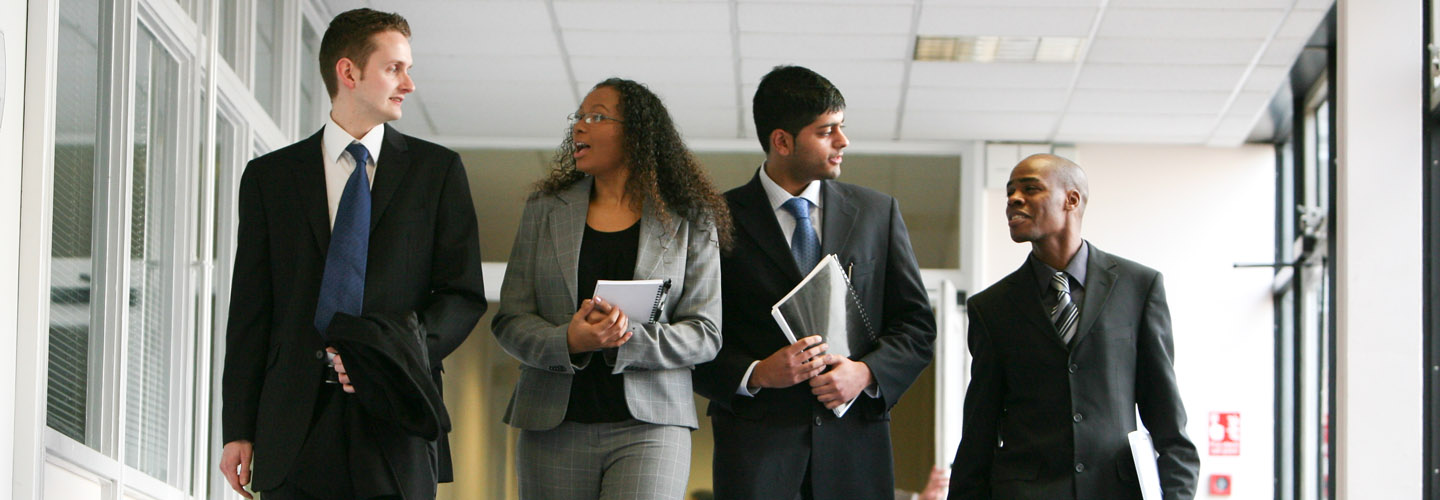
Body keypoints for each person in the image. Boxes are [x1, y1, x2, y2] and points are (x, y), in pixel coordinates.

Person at [218, 8, 486, 500]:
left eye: (408, 69)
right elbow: (251, 309)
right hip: (292, 421)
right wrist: (238, 427)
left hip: (395, 413)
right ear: (348, 72)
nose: (408, 84)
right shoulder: (269, 178)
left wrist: (395, 350)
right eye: (394, 68)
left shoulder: (438, 172)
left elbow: (462, 294)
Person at [692, 65, 936, 500]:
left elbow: (917, 327)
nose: (843, 142)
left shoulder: (878, 214)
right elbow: (692, 336)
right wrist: (757, 373)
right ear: (781, 141)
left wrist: (865, 373)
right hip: (756, 456)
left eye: (841, 128)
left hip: (856, 453)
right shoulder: (713, 220)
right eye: (826, 131)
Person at [491, 77, 730, 500]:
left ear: (637, 133)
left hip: (652, 426)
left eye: (597, 116)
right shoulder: (545, 210)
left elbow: (706, 334)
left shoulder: (692, 216)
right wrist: (569, 339)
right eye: (579, 116)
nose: (579, 126)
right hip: (553, 425)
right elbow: (510, 320)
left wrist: (626, 340)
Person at [948, 154, 1200, 500]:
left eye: (1030, 188)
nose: (1013, 199)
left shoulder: (1138, 287)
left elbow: (1169, 422)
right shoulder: (991, 308)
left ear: (1072, 200)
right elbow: (979, 432)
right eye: (1010, 191)